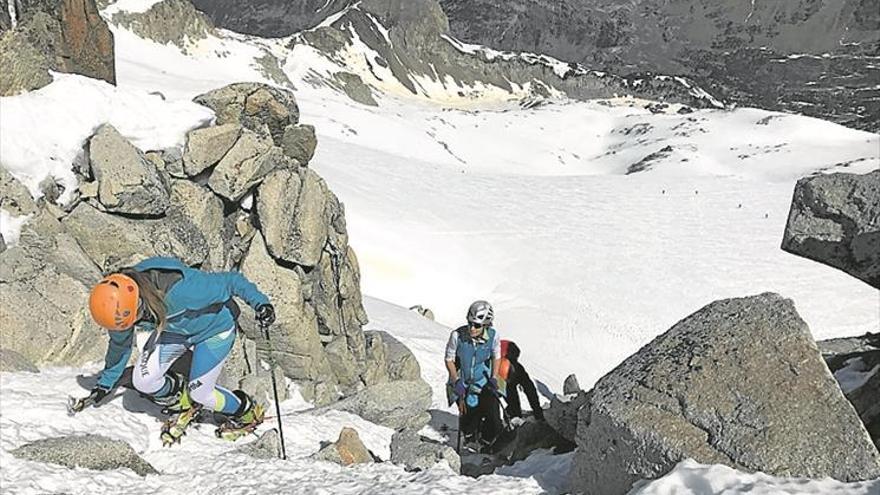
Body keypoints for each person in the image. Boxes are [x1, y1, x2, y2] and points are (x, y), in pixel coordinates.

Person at [77, 256, 275, 444]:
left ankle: (246, 412)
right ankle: (183, 401)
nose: (133, 324)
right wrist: (105, 383)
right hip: (174, 332)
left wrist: (261, 303)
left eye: (134, 318)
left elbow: (231, 281)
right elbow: (119, 345)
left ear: (137, 299)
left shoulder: (182, 291)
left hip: (214, 330)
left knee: (201, 393)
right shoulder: (121, 307)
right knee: (143, 381)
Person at [446, 300, 504, 450]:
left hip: (483, 380)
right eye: (470, 323)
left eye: (477, 325)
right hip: (463, 381)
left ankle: (488, 439)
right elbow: (449, 359)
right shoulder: (457, 336)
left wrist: (493, 377)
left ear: (486, 325)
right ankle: (471, 435)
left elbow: (495, 356)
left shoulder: (493, 336)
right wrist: (455, 380)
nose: (472, 328)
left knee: (491, 411)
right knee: (468, 417)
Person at [498, 340, 544, 422]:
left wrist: (537, 411)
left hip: (508, 364)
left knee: (516, 389)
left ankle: (515, 414)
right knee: (511, 392)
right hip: (502, 370)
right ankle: (514, 414)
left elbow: (529, 389)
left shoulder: (517, 370)